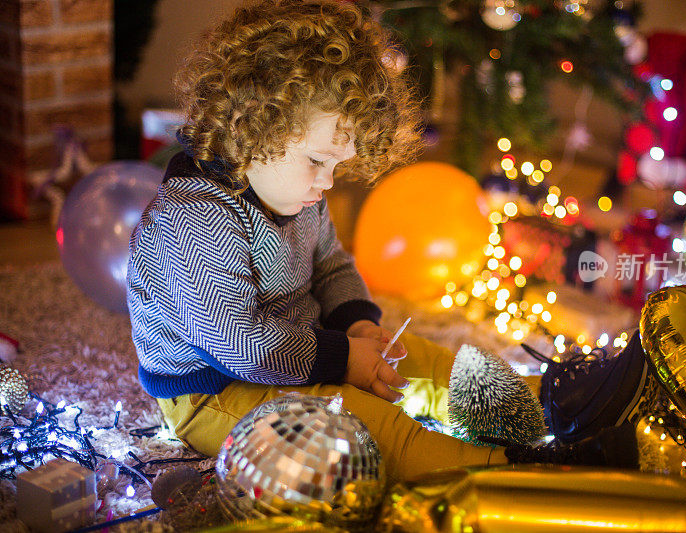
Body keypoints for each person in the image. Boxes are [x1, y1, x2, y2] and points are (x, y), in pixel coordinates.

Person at [127, 0, 634, 485]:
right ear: (251, 128)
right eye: (317, 161)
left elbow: (330, 266)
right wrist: (343, 360)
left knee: (418, 358)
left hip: (302, 343)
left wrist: (359, 327)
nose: (327, 182)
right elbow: (240, 344)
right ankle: (509, 466)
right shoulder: (195, 221)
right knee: (360, 423)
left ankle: (548, 404)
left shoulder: (297, 194)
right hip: (215, 388)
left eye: (336, 165)